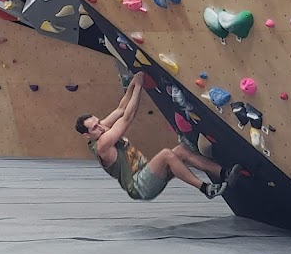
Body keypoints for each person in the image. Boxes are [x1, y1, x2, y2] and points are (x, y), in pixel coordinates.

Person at [75, 72, 243, 201]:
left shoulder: (101, 129)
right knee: (166, 155)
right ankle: (206, 189)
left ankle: (224, 173)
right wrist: (140, 87)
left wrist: (133, 83)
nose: (101, 126)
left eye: (98, 122)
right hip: (139, 186)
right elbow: (127, 116)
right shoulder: (103, 144)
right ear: (86, 135)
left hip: (146, 174)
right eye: (95, 127)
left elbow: (120, 109)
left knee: (181, 151)